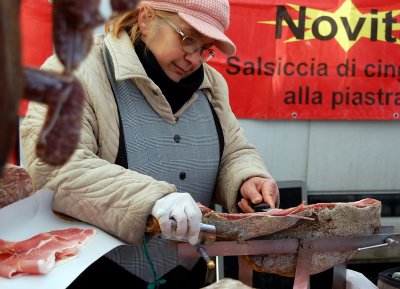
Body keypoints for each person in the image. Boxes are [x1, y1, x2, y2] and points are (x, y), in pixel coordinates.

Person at [21, 0, 280, 288]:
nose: (194, 58)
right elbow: (54, 167)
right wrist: (153, 199)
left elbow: (233, 150)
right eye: (188, 38)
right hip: (97, 274)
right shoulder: (75, 70)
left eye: (206, 48)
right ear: (145, 18)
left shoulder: (213, 84)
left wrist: (247, 178)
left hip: (188, 272)